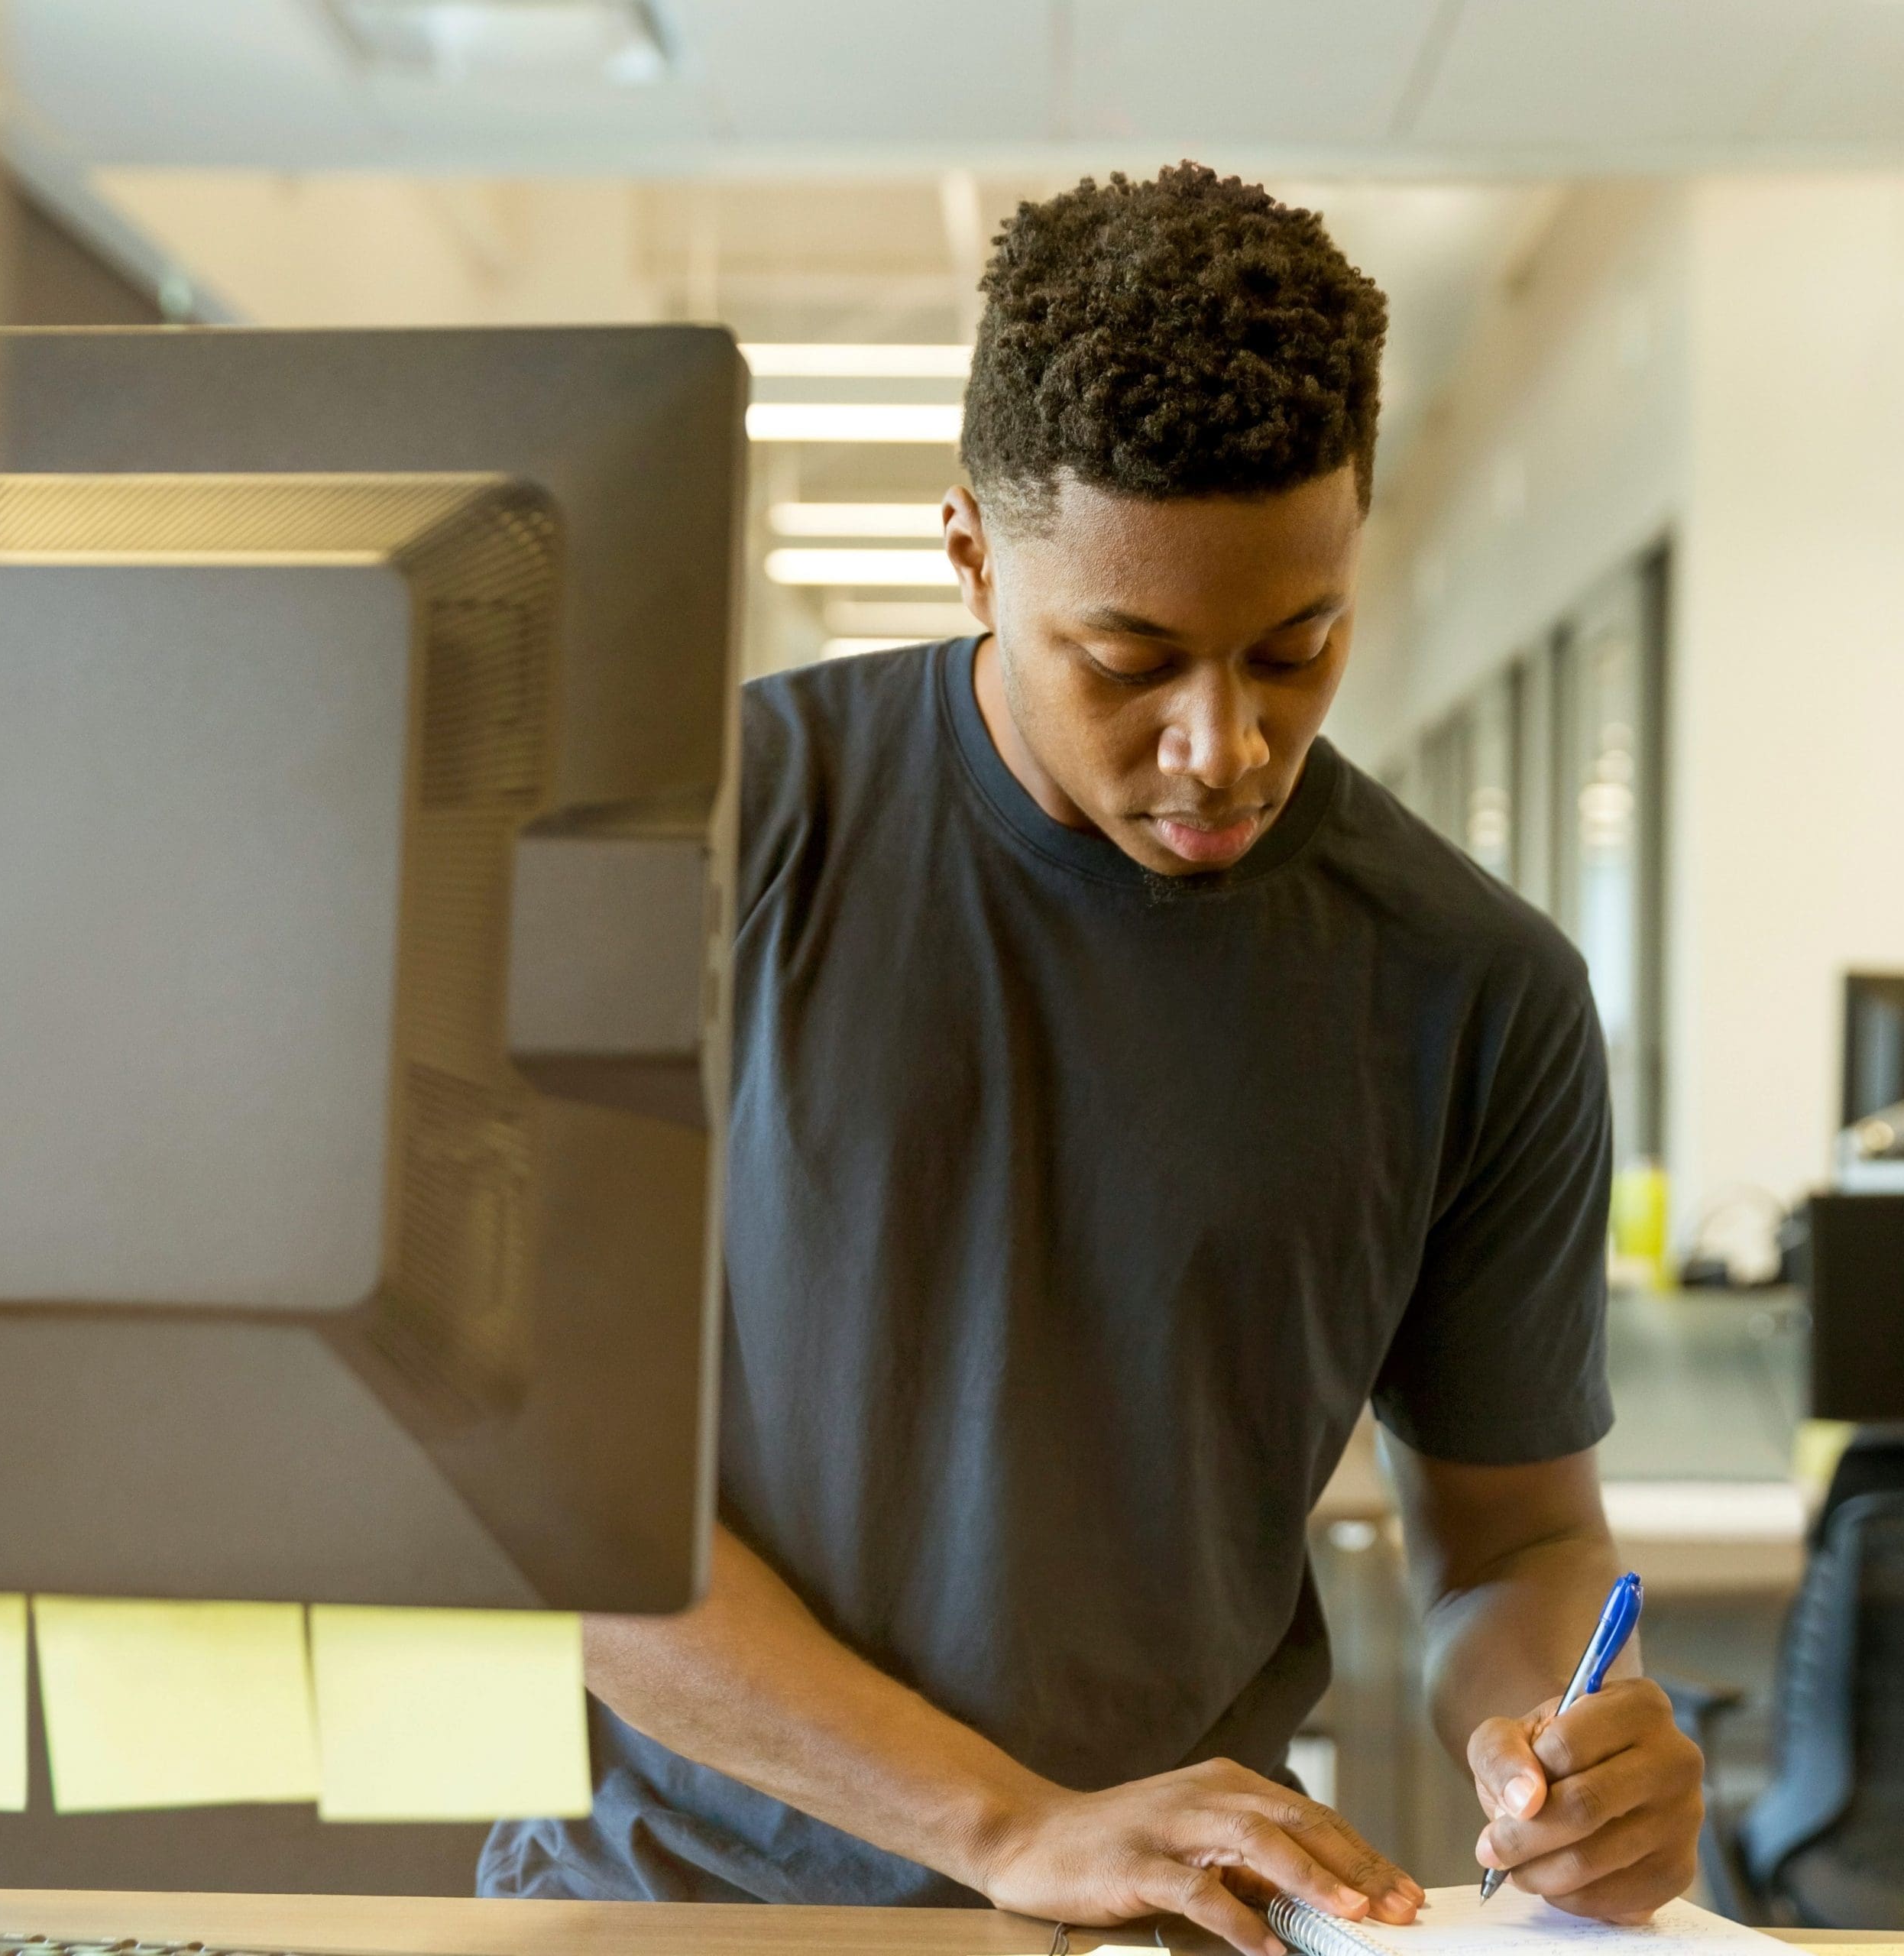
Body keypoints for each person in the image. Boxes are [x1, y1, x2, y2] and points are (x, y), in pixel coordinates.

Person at [480, 164, 1702, 1949]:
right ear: (970, 546)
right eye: (1128, 659)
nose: (1223, 743)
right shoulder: (698, 843)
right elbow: (534, 1488)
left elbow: (1513, 1544)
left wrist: (1561, 1752)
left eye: (1296, 648)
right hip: (672, 1904)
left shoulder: (1473, 985)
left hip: (1160, 1921)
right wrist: (999, 1818)